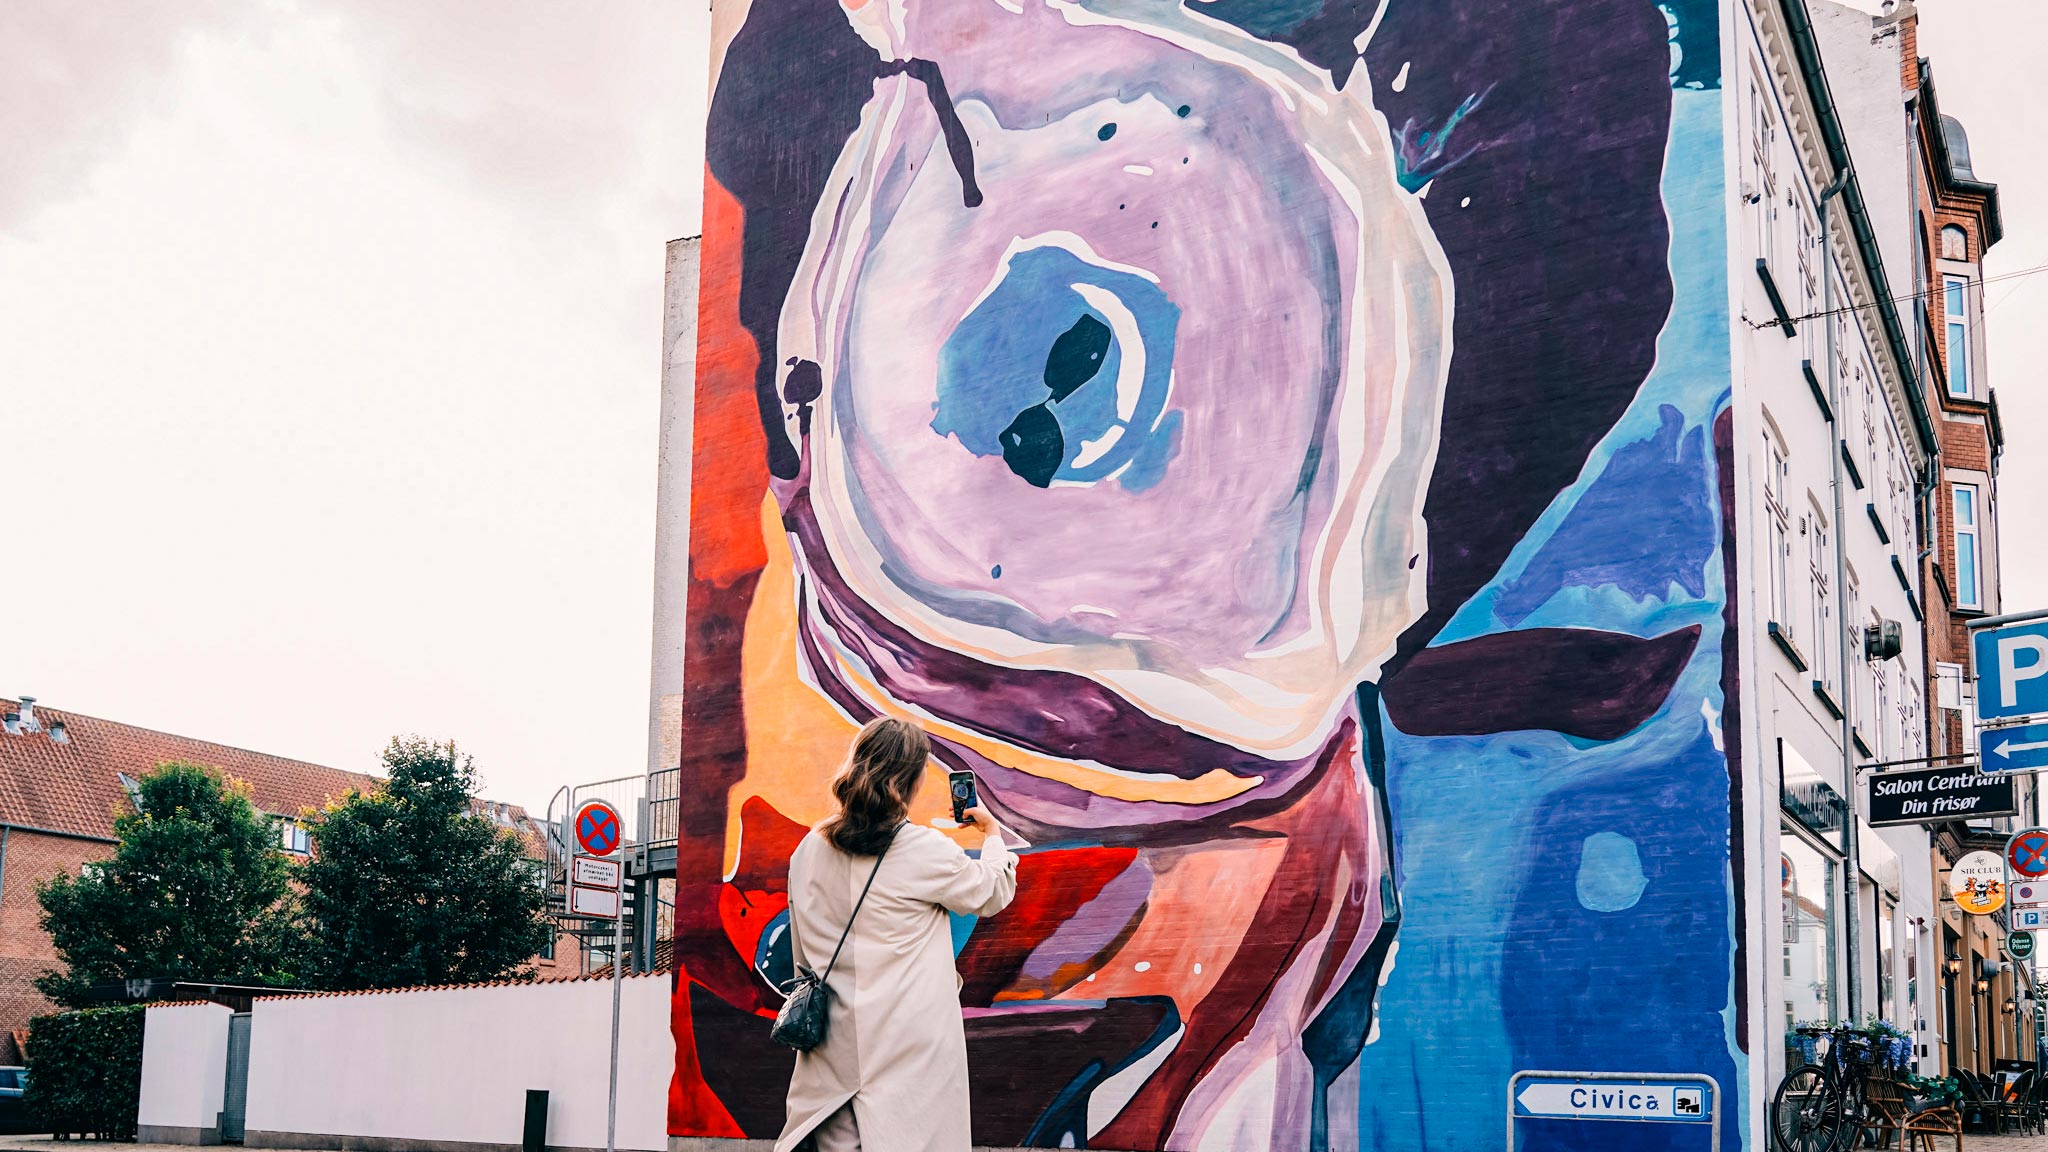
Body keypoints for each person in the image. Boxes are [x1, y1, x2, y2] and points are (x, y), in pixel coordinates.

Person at [777, 717, 1019, 1152]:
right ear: (912, 779)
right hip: (908, 1054)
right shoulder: (922, 850)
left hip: (831, 1052)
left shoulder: (807, 850)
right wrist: (993, 834)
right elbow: (991, 890)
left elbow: (802, 955)